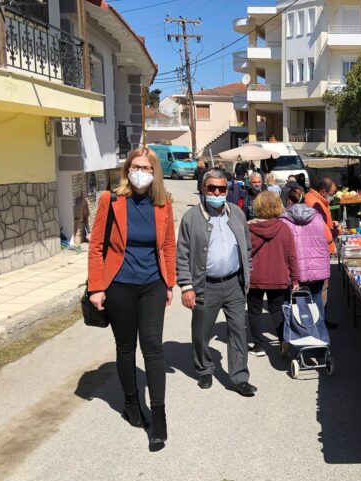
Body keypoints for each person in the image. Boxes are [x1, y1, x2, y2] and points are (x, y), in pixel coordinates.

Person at [87, 147, 176, 450]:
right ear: (127, 170)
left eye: (147, 168)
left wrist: (169, 283)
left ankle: (160, 415)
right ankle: (131, 403)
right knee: (126, 348)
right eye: (136, 166)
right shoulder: (110, 201)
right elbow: (97, 246)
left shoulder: (163, 204)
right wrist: (96, 287)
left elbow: (168, 246)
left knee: (153, 346)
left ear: (155, 173)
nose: (141, 172)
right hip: (119, 286)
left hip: (152, 285)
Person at [177, 169, 256, 396]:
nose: (217, 192)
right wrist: (186, 286)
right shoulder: (191, 219)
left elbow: (247, 248)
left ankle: (239, 376)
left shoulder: (238, 214)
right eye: (212, 188)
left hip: (234, 284)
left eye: (222, 188)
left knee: (238, 331)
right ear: (203, 189)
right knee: (201, 331)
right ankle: (204, 368)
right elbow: (181, 255)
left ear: (227, 190)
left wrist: (246, 272)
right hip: (205, 285)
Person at [247, 191, 300, 356]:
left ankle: (258, 345)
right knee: (277, 310)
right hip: (278, 275)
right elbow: (292, 255)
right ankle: (283, 340)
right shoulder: (284, 228)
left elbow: (243, 252)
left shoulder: (248, 228)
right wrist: (295, 279)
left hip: (254, 276)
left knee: (254, 310)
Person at [280, 189, 330, 322]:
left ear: (289, 201)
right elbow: (329, 238)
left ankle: (299, 334)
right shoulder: (318, 216)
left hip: (294, 270)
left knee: (294, 303)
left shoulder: (283, 220)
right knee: (317, 299)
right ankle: (319, 333)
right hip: (316, 269)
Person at [304, 177, 340, 328]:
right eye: (331, 193)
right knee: (321, 290)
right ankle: (320, 323)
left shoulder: (312, 198)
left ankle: (320, 321)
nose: (332, 196)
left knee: (318, 291)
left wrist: (332, 225)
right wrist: (336, 231)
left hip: (315, 250)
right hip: (318, 251)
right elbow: (321, 230)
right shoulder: (316, 203)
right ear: (323, 192)